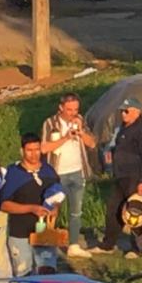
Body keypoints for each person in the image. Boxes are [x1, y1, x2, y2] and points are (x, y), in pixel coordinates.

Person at [0, 133, 65, 278]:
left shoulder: (48, 171)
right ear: (22, 151)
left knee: (48, 274)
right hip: (20, 234)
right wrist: (31, 208)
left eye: (37, 149)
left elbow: (58, 194)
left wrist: (56, 207)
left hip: (45, 233)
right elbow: (4, 205)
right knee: (25, 276)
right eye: (29, 150)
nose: (34, 154)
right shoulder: (14, 174)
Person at [40, 92, 96, 258]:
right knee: (52, 210)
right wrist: (65, 138)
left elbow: (92, 143)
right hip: (57, 174)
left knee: (76, 211)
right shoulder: (50, 123)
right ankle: (46, 245)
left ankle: (73, 245)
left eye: (76, 109)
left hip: (77, 172)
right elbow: (44, 148)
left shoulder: (80, 121)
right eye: (69, 109)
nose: (73, 113)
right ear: (61, 108)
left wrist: (81, 132)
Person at [99, 97, 142, 255]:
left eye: (126, 111)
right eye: (122, 111)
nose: (123, 114)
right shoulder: (124, 127)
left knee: (136, 212)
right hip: (121, 176)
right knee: (114, 209)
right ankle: (108, 244)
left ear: (137, 112)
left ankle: (138, 248)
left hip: (135, 177)